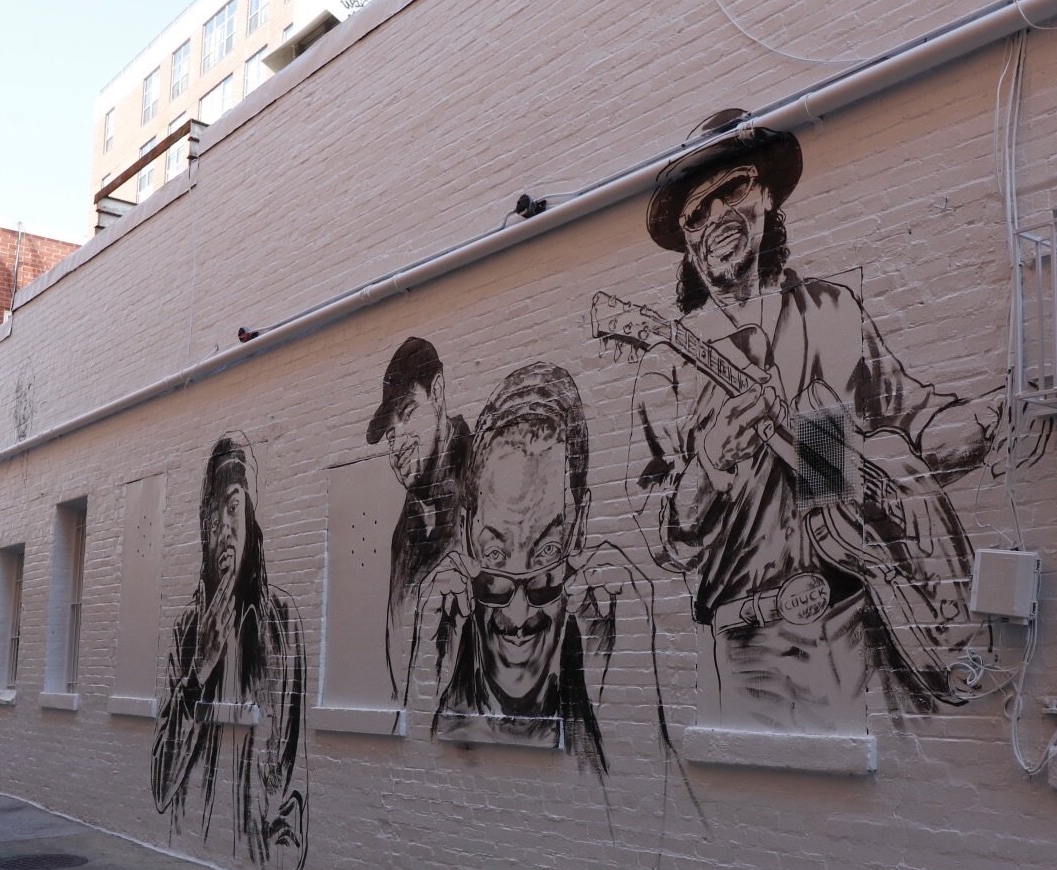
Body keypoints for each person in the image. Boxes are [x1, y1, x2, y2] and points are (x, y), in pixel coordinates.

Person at [602, 109, 1000, 730]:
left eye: (734, 188)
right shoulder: (668, 363)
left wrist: (997, 417)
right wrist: (710, 463)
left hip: (865, 621)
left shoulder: (833, 311)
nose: (717, 217)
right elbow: (663, 539)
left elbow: (915, 426)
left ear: (765, 194)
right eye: (697, 213)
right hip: (750, 647)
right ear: (685, 240)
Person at [416, 362, 660, 777]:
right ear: (466, 535)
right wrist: (419, 693)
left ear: (580, 530)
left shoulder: (606, 664)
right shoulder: (437, 663)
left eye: (547, 554)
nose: (517, 615)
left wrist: (636, 716)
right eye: (495, 556)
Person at [151, 434, 309, 870]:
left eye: (233, 507)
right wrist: (198, 672)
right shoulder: (187, 630)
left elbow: (293, 776)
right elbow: (160, 786)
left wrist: (279, 860)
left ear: (252, 515)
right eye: (212, 517)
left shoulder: (281, 623)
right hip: (186, 855)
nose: (223, 530)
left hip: (261, 864)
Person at [365, 336, 470, 699]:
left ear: (437, 393)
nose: (399, 443)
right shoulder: (407, 528)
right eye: (390, 435)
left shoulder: (483, 477)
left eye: (408, 414)